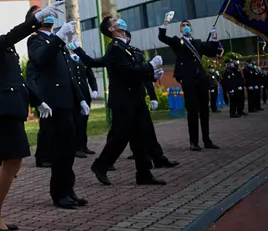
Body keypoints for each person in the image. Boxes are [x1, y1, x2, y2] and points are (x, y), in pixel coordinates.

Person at [0, 1, 62, 231]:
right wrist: (36, 20)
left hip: (11, 106)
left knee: (12, 162)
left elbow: (15, 77)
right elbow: (12, 36)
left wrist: (36, 99)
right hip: (3, 108)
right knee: (10, 162)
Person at [86, 16, 166, 187]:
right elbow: (128, 72)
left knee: (141, 137)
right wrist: (150, 65)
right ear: (111, 29)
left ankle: (144, 174)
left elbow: (136, 72)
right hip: (123, 100)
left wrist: (151, 75)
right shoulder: (114, 49)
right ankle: (101, 165)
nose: (120, 20)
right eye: (115, 20)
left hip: (135, 98)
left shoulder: (125, 47)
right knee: (120, 138)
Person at [27, 8, 89, 209]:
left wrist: (80, 98)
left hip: (67, 101)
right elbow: (41, 59)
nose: (49, 15)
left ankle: (69, 190)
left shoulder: (57, 40)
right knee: (59, 151)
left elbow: (70, 73)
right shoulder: (35, 40)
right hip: (52, 103)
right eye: (42, 13)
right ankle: (59, 194)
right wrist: (59, 38)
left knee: (69, 150)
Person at [158, 14, 221, 151]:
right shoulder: (177, 42)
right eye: (183, 26)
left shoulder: (198, 43)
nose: (186, 27)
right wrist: (166, 22)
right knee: (192, 110)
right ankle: (194, 142)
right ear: (180, 30)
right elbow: (162, 38)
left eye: (187, 25)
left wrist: (214, 37)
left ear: (191, 29)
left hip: (201, 79)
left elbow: (212, 51)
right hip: (188, 79)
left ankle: (207, 140)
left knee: (204, 109)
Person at [68, 50, 98, 157]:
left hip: (85, 93)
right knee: (76, 121)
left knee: (84, 121)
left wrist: (94, 89)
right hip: (74, 95)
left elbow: (90, 76)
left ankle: (84, 145)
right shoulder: (67, 58)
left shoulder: (82, 59)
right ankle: (76, 148)